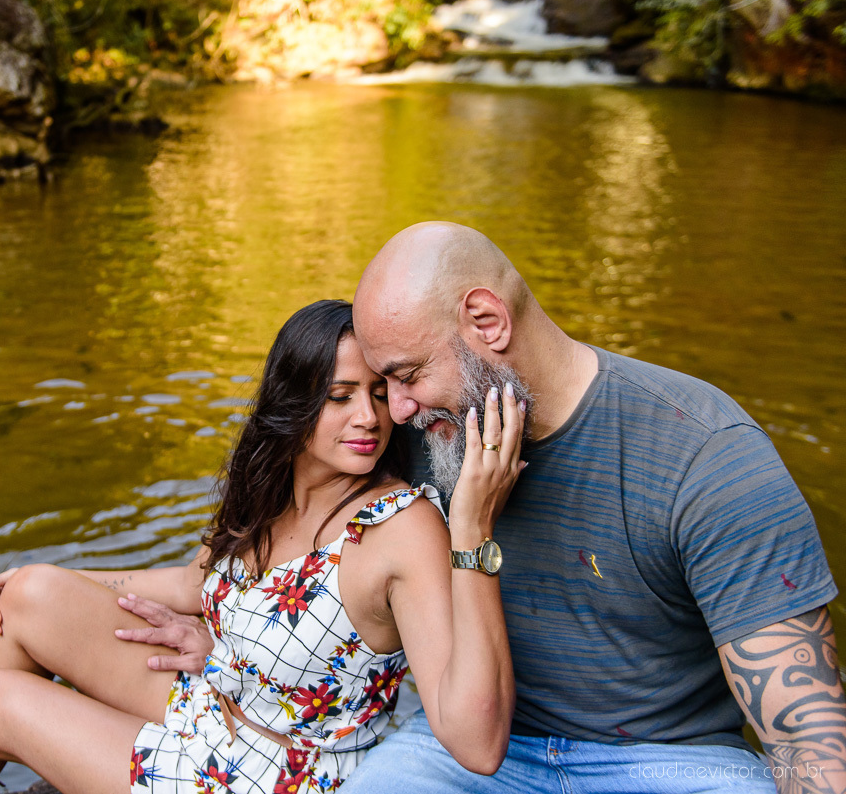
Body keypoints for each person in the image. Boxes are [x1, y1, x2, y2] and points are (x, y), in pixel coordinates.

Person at [119, 224, 846, 794]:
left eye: (404, 377)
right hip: (468, 757)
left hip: (670, 762)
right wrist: (229, 644)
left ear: (487, 321)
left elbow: (806, 729)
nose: (391, 411)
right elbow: (310, 560)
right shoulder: (428, 434)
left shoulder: (705, 452)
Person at [0, 299, 527, 794]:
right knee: (29, 594)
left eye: (380, 394)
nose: (368, 417)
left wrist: (472, 531)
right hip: (215, 704)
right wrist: (48, 574)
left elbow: (474, 739)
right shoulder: (272, 491)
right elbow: (190, 582)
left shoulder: (397, 526)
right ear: (293, 402)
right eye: (339, 396)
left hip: (272, 773)